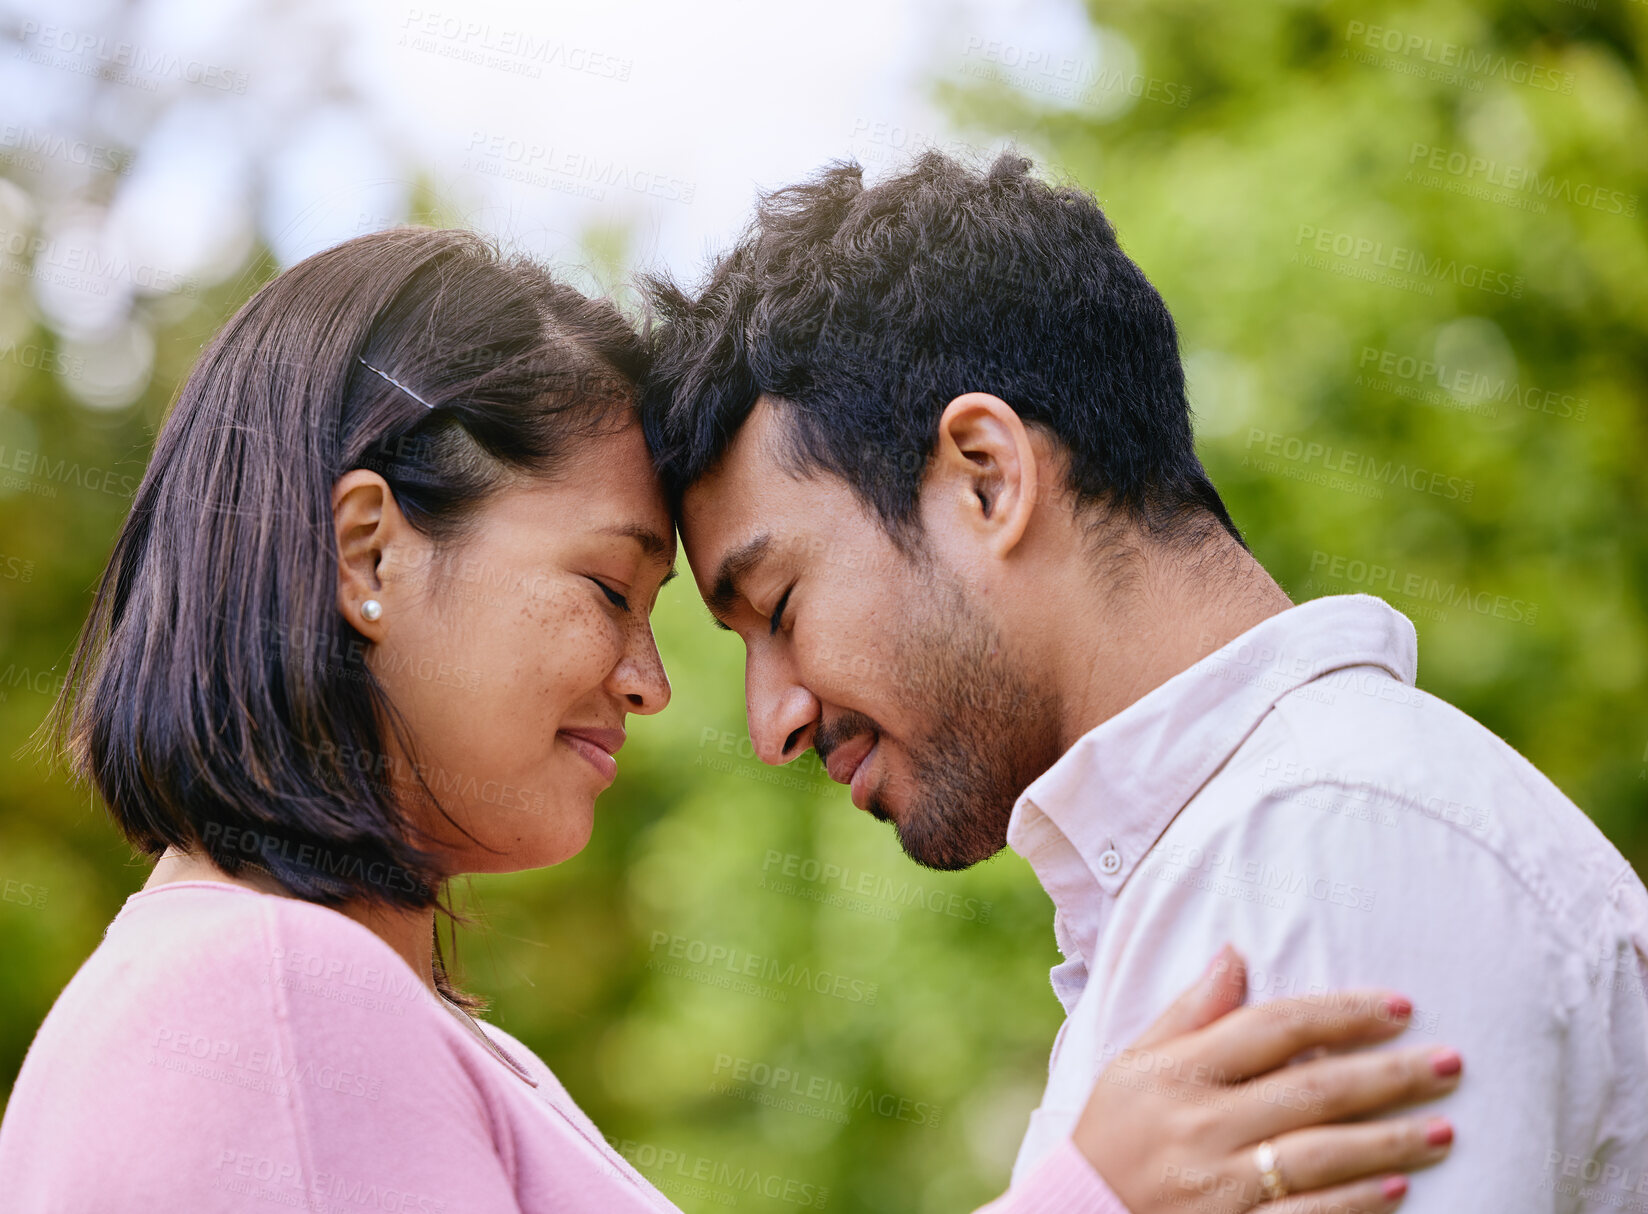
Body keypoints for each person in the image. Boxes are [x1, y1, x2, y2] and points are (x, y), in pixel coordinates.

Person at [0, 227, 1459, 1214]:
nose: (654, 681)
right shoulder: (261, 995)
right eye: (605, 586)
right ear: (370, 554)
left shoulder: (332, 996)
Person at [640, 151, 1648, 1213]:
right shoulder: (1213, 871)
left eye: (780, 608)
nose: (772, 721)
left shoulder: (1323, 846)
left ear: (986, 476)